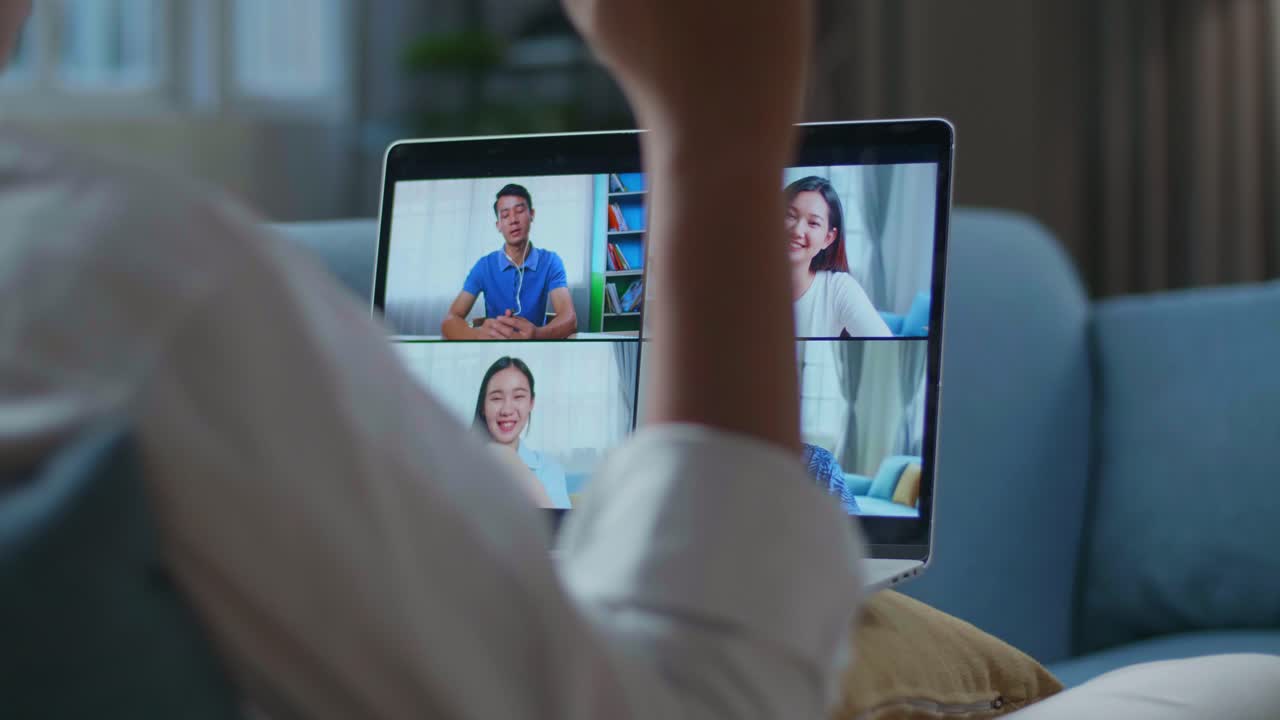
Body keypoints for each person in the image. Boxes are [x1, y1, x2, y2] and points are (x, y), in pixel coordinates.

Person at [2, 0, 1278, 718]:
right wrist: (719, 128)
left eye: (805, 214)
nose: (513, 228)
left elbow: (553, 330)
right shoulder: (126, 285)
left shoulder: (829, 304)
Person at [440, 184, 579, 340]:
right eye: (505, 215)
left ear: (531, 214)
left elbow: (569, 319)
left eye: (519, 211)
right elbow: (449, 321)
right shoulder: (484, 265)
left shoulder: (550, 261)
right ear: (498, 225)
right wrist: (479, 335)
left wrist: (536, 334)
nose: (513, 220)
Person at [786, 175, 894, 338]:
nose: (797, 230)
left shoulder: (837, 289)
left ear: (828, 238)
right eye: (790, 215)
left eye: (813, 223)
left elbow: (885, 345)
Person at [473, 356, 571, 509]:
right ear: (483, 407)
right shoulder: (460, 464)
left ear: (531, 403)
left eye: (518, 397)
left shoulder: (549, 469)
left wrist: (512, 461)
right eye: (496, 398)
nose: (507, 410)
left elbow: (558, 530)